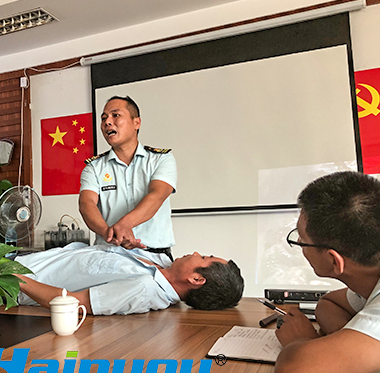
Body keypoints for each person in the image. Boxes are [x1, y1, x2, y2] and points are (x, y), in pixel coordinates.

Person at [274, 171, 380, 373]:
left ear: (334, 261)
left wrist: (300, 341)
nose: (300, 244)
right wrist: (343, 343)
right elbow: (329, 303)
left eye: (302, 240)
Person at [14, 242, 243, 315]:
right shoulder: (161, 262)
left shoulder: (143, 289)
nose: (195, 253)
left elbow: (71, 303)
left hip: (10, 281)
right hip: (24, 259)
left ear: (196, 279)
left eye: (203, 258)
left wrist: (12, 276)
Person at [79, 96, 177, 259]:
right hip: (110, 254)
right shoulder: (94, 167)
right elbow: (86, 204)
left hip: (155, 255)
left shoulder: (161, 159)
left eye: (115, 115)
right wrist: (110, 234)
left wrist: (125, 224)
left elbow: (157, 195)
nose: (107, 122)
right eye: (103, 118)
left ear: (136, 123)